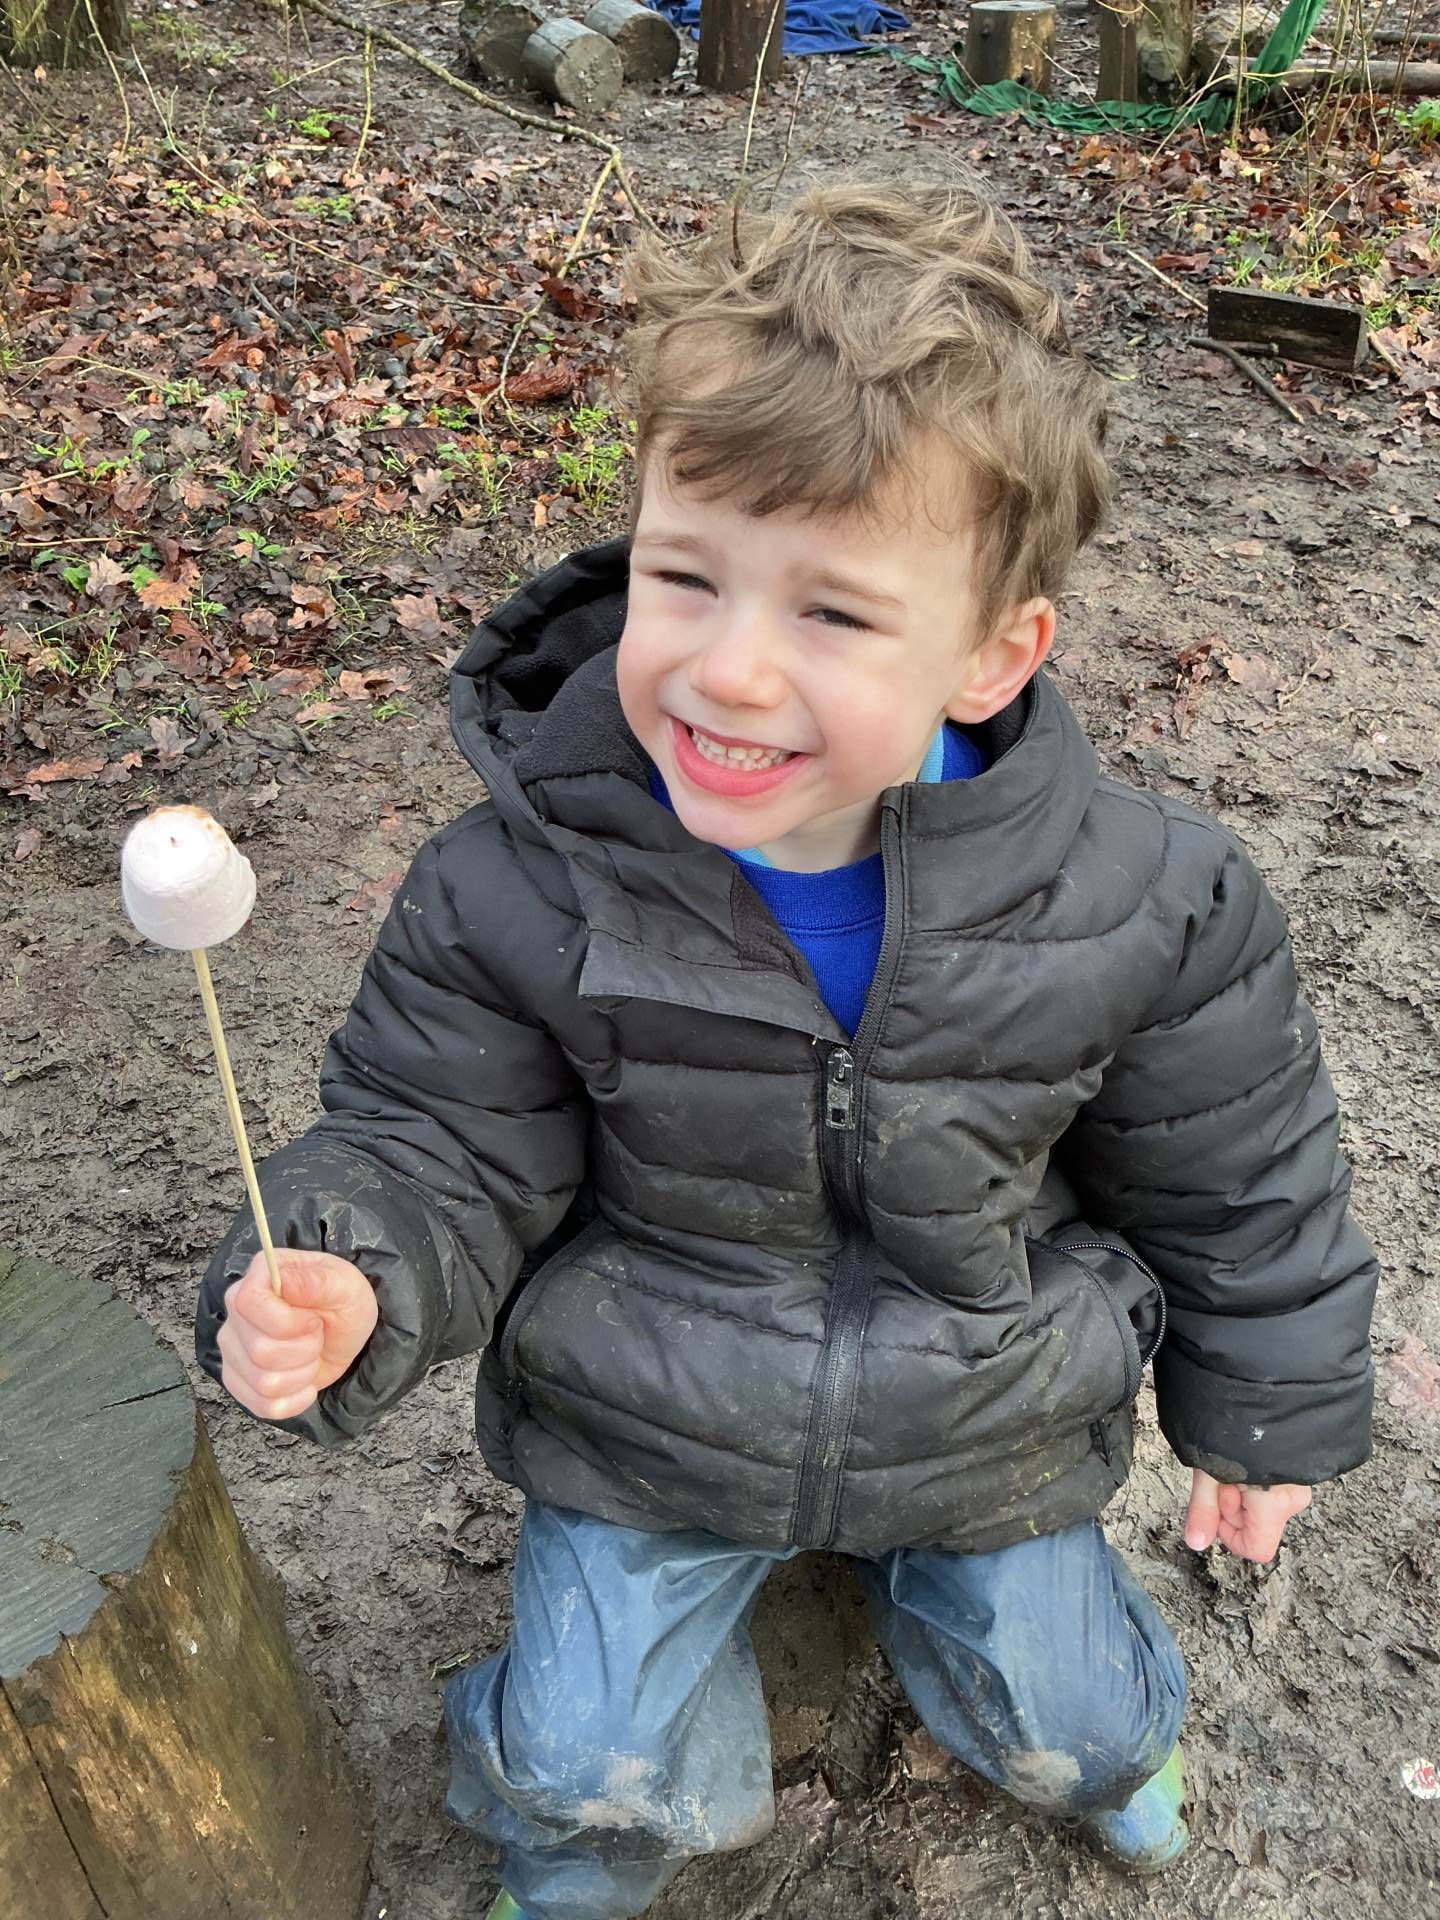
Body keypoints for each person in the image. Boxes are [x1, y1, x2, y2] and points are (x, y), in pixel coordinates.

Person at [196, 180, 1378, 1920]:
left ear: (992, 655)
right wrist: (348, 1264)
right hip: (650, 1415)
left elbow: (1241, 1181)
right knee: (577, 1769)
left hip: (985, 1412)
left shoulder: (1152, 902)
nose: (731, 671)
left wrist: (1263, 1415)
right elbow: (431, 1139)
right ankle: (585, 1830)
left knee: (1079, 1733)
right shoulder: (521, 879)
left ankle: (1085, 1718)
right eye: (687, 577)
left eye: (832, 613)